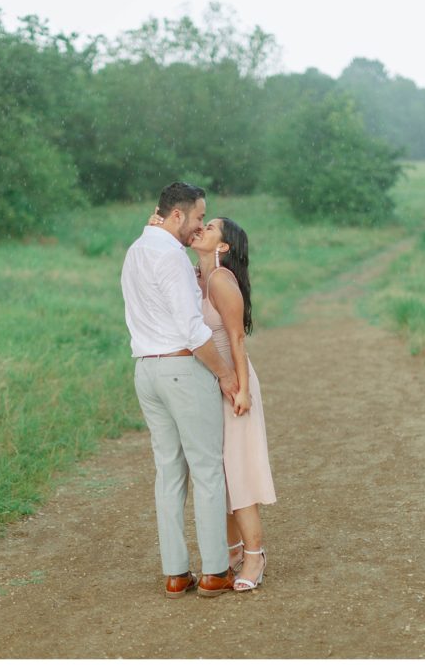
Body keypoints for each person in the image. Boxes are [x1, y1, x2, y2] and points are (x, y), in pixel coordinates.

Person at [120, 181, 240, 599]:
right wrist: (225, 374)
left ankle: (175, 572)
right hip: (181, 370)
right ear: (176, 216)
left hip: (146, 372)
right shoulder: (169, 255)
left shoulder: (138, 250)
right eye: (198, 217)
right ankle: (215, 571)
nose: (200, 225)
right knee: (207, 470)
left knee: (169, 472)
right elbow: (192, 330)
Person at [148, 211, 276, 592]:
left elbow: (237, 339)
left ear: (223, 246)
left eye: (211, 227)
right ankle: (233, 549)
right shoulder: (196, 276)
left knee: (239, 473)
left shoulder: (221, 280)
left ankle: (255, 556)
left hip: (231, 382)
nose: (201, 228)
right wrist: (157, 230)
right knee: (217, 473)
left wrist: (242, 389)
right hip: (206, 384)